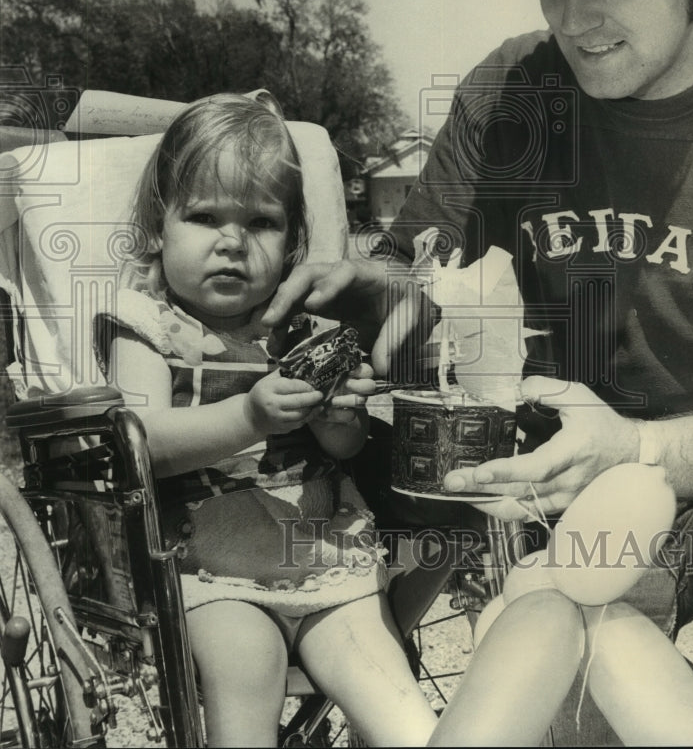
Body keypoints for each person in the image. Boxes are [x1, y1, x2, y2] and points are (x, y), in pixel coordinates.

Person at [263, 0, 693, 748]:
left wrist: (647, 450)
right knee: (551, 674)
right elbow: (417, 272)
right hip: (580, 492)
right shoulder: (514, 95)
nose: (576, 18)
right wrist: (361, 302)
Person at [94, 94, 437, 748]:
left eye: (261, 221)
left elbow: (343, 447)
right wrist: (249, 415)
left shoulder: (300, 323)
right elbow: (145, 446)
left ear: (291, 238)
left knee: (400, 712)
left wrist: (340, 415)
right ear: (158, 226)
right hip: (215, 575)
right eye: (203, 216)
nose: (232, 241)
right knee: (246, 684)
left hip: (327, 566)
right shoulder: (147, 323)